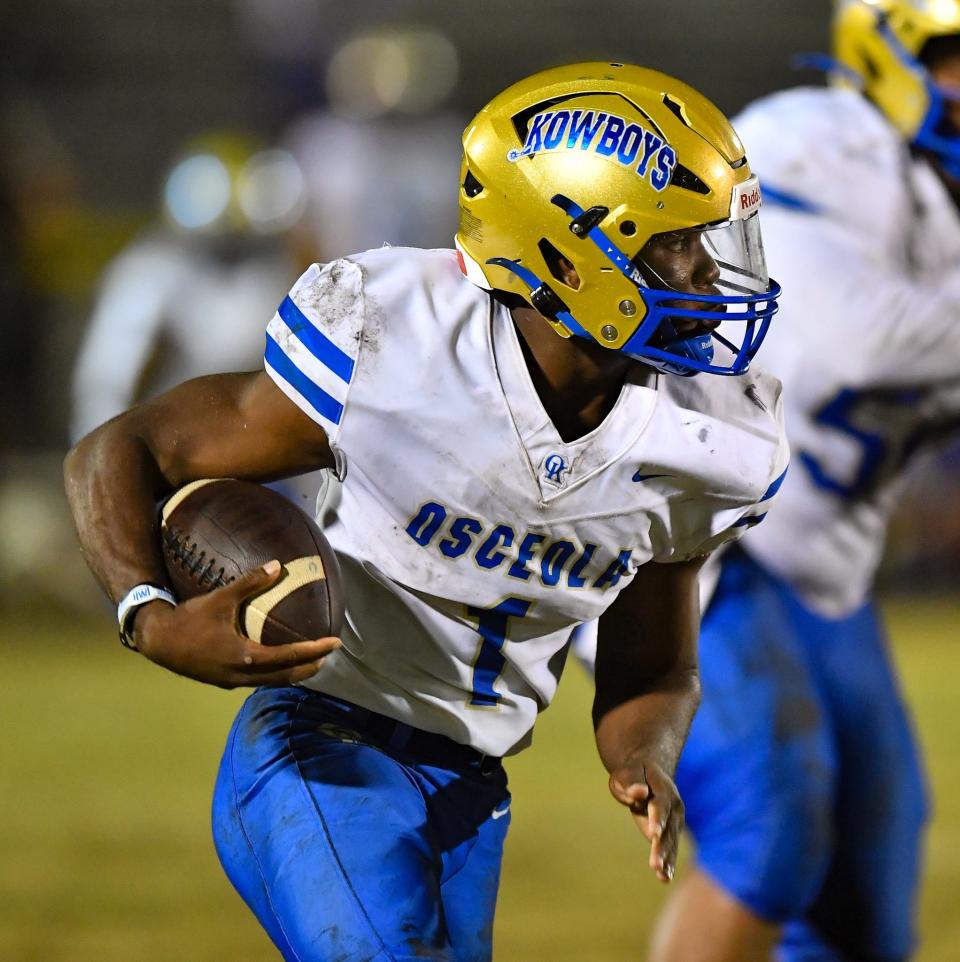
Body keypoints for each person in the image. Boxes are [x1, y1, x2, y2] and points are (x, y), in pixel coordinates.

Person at [64, 62, 787, 961]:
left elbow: (654, 663)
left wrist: (645, 755)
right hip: (319, 747)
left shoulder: (709, 438)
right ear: (570, 258)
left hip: (471, 785)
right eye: (677, 244)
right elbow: (119, 450)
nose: (711, 274)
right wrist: (150, 616)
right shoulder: (396, 338)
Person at [649, 3, 960, 961]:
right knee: (769, 825)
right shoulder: (808, 139)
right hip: (684, 528)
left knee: (871, 868)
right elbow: (848, 344)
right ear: (889, 50)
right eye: (955, 59)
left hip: (815, 553)